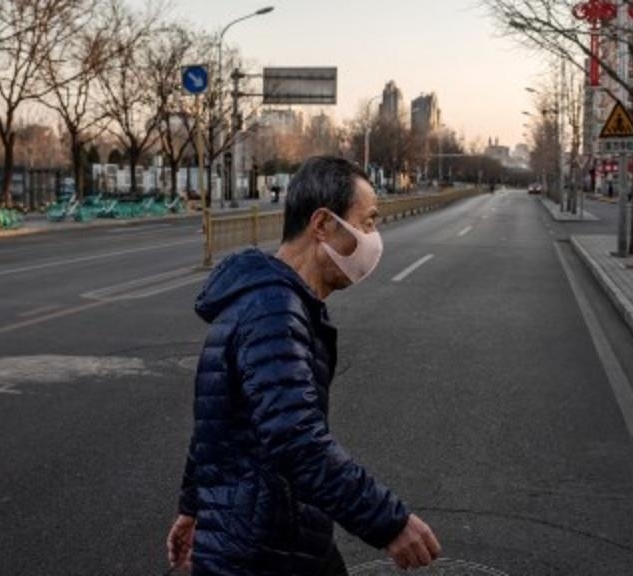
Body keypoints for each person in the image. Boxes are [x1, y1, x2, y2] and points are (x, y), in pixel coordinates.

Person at [167, 156, 441, 576]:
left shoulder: (267, 299)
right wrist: (388, 522)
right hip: (263, 551)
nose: (374, 239)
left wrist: (193, 507)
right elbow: (296, 439)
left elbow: (216, 421)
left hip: (273, 533)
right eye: (367, 222)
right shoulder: (274, 310)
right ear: (323, 225)